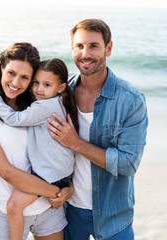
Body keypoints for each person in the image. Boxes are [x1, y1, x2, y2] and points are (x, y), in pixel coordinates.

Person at [47, 19, 148, 240]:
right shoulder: (61, 95)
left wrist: (75, 142)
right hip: (69, 210)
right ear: (72, 49)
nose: (86, 53)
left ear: (108, 48)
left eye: (94, 46)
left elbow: (128, 164)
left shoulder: (130, 100)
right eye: (79, 46)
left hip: (114, 214)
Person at [0, 42, 72, 240]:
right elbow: (6, 171)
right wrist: (56, 191)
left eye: (25, 77)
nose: (16, 82)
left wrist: (69, 189)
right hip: (10, 211)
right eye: (11, 73)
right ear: (1, 69)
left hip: (49, 209)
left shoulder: (38, 106)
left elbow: (63, 152)